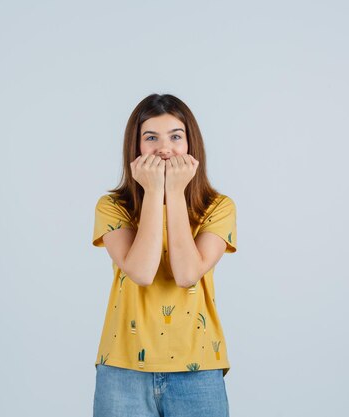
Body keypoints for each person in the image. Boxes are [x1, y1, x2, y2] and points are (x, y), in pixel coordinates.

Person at [91, 93, 238, 417]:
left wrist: (174, 191)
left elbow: (187, 274)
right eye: (151, 137)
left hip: (198, 368)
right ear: (136, 147)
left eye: (175, 136)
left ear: (190, 144)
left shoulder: (217, 207)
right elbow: (141, 272)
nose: (164, 148)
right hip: (122, 368)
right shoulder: (113, 207)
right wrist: (155, 192)